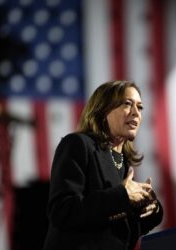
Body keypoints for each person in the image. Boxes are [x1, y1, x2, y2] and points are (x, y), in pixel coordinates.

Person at [43, 80, 163, 250]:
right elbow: (63, 211)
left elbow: (120, 230)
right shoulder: (77, 144)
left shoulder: (123, 162)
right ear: (103, 110)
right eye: (127, 104)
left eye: (140, 107)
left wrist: (148, 207)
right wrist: (122, 195)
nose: (136, 113)